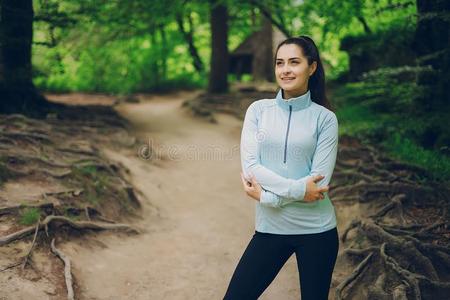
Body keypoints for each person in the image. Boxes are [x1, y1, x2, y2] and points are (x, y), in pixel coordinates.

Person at [223, 36, 339, 300]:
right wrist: (297, 192)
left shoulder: (325, 119)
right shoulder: (258, 111)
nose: (285, 69)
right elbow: (252, 167)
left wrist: (267, 196)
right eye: (280, 63)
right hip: (270, 229)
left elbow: (318, 185)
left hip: (317, 231)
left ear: (311, 67)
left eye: (294, 62)